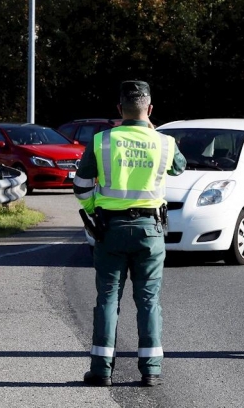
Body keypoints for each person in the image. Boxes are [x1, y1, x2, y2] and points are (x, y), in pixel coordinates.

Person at [73, 80, 186, 387]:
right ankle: (150, 371)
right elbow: (179, 168)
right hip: (150, 230)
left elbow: (81, 187)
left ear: (119, 109)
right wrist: (152, 128)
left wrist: (98, 207)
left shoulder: (101, 141)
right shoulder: (164, 141)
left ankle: (101, 370)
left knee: (108, 298)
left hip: (110, 229)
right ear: (149, 110)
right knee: (148, 300)